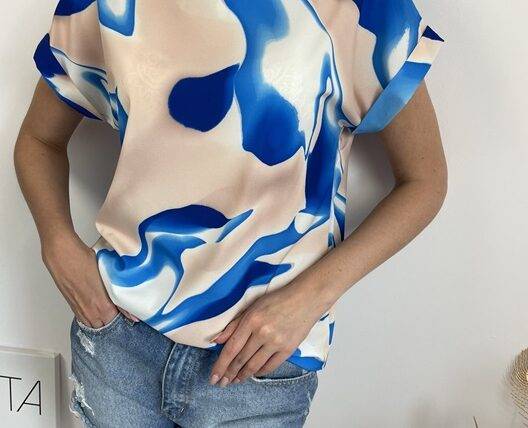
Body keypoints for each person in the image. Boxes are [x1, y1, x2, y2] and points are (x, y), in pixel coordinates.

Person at [13, 1, 446, 427]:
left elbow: (424, 182)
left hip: (261, 364)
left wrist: (309, 298)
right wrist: (57, 245)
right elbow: (39, 140)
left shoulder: (364, 8)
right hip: (118, 340)